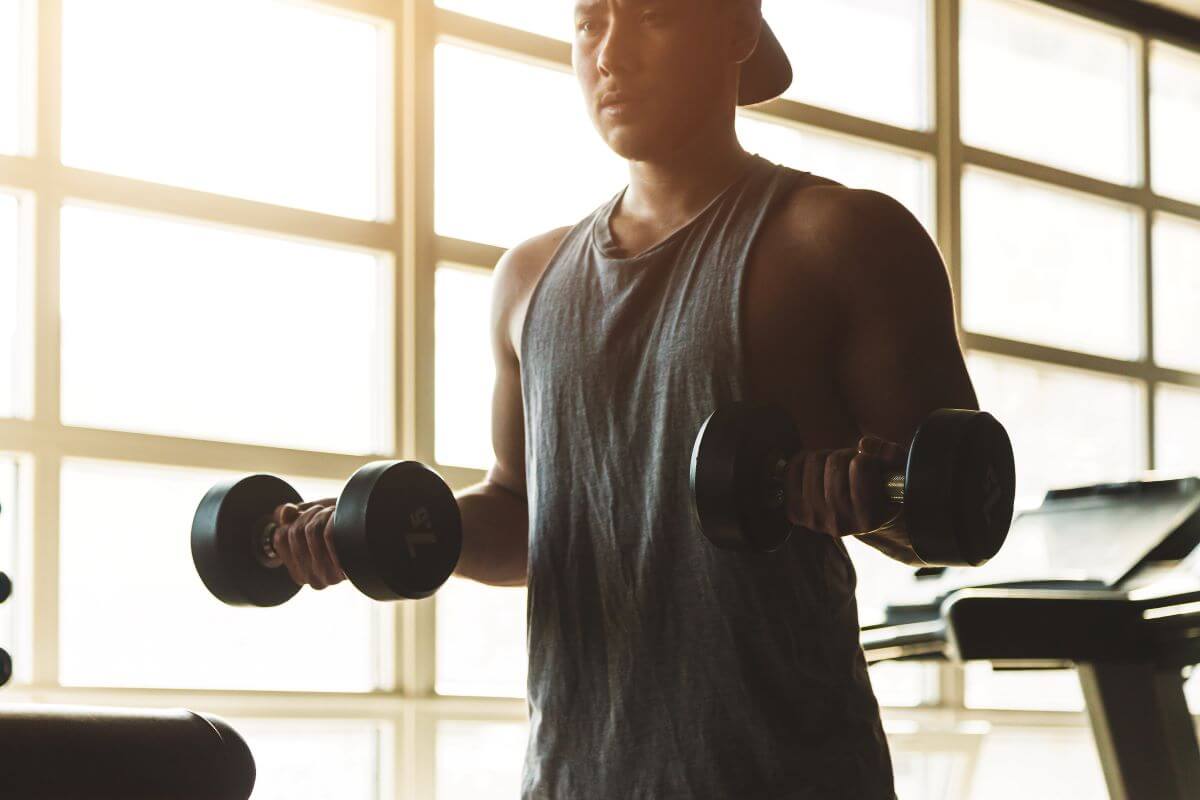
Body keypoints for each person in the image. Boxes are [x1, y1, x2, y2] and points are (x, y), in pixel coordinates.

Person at [272, 1, 978, 796]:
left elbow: (952, 512)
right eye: (588, 21)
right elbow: (524, 515)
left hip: (785, 772)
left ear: (736, 32)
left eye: (651, 16)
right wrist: (387, 526)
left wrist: (867, 501)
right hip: (576, 777)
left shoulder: (841, 237)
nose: (609, 55)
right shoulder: (528, 279)